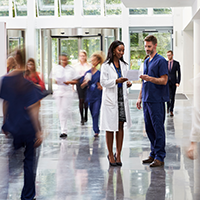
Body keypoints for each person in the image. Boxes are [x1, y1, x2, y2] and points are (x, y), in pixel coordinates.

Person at [0, 51, 45, 200]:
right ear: (25, 62)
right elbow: (33, 109)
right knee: (29, 162)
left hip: (13, 126)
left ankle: (5, 190)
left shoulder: (5, 80)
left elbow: (5, 103)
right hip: (28, 128)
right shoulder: (27, 84)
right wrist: (38, 131)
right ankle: (27, 196)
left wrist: (5, 122)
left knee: (12, 162)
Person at [136, 35, 169, 167]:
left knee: (158, 128)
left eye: (149, 46)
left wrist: (150, 78)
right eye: (145, 46)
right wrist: (139, 97)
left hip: (157, 100)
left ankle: (160, 156)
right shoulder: (146, 61)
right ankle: (153, 153)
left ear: (155, 46)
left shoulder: (161, 61)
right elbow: (143, 82)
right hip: (146, 99)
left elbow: (164, 80)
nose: (147, 49)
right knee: (149, 128)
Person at [100, 40, 132, 166]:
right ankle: (110, 154)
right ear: (113, 50)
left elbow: (124, 81)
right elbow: (103, 82)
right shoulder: (106, 66)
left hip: (121, 99)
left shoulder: (124, 65)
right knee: (109, 128)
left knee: (120, 127)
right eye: (119, 50)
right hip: (110, 100)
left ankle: (118, 154)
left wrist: (127, 84)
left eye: (123, 50)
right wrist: (116, 81)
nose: (121, 52)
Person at [51, 53, 78, 138]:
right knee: (60, 111)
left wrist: (69, 82)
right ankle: (63, 128)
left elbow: (76, 80)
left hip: (67, 91)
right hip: (59, 91)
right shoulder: (56, 68)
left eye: (65, 59)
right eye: (62, 59)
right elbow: (53, 79)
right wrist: (56, 81)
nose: (64, 61)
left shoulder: (71, 69)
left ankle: (64, 130)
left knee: (64, 110)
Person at [81, 52, 104, 137]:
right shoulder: (87, 73)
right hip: (90, 95)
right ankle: (95, 128)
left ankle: (96, 130)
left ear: (98, 62)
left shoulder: (100, 73)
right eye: (92, 60)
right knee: (92, 112)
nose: (92, 62)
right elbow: (82, 85)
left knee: (96, 112)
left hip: (98, 95)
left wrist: (101, 86)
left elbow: (103, 86)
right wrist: (85, 82)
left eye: (94, 60)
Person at [74, 50, 91, 125]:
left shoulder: (89, 65)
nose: (82, 57)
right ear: (79, 57)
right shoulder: (76, 66)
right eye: (81, 56)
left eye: (83, 56)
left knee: (86, 100)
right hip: (79, 84)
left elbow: (90, 75)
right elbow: (74, 76)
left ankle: (86, 115)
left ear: (86, 56)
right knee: (81, 100)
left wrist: (86, 81)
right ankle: (82, 118)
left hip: (87, 83)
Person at [166, 50, 181, 117]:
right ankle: (168, 107)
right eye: (167, 55)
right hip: (167, 82)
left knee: (172, 96)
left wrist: (178, 82)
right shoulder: (165, 63)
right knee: (167, 95)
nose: (168, 56)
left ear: (172, 55)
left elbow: (179, 73)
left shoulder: (176, 63)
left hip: (174, 82)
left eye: (169, 55)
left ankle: (171, 110)